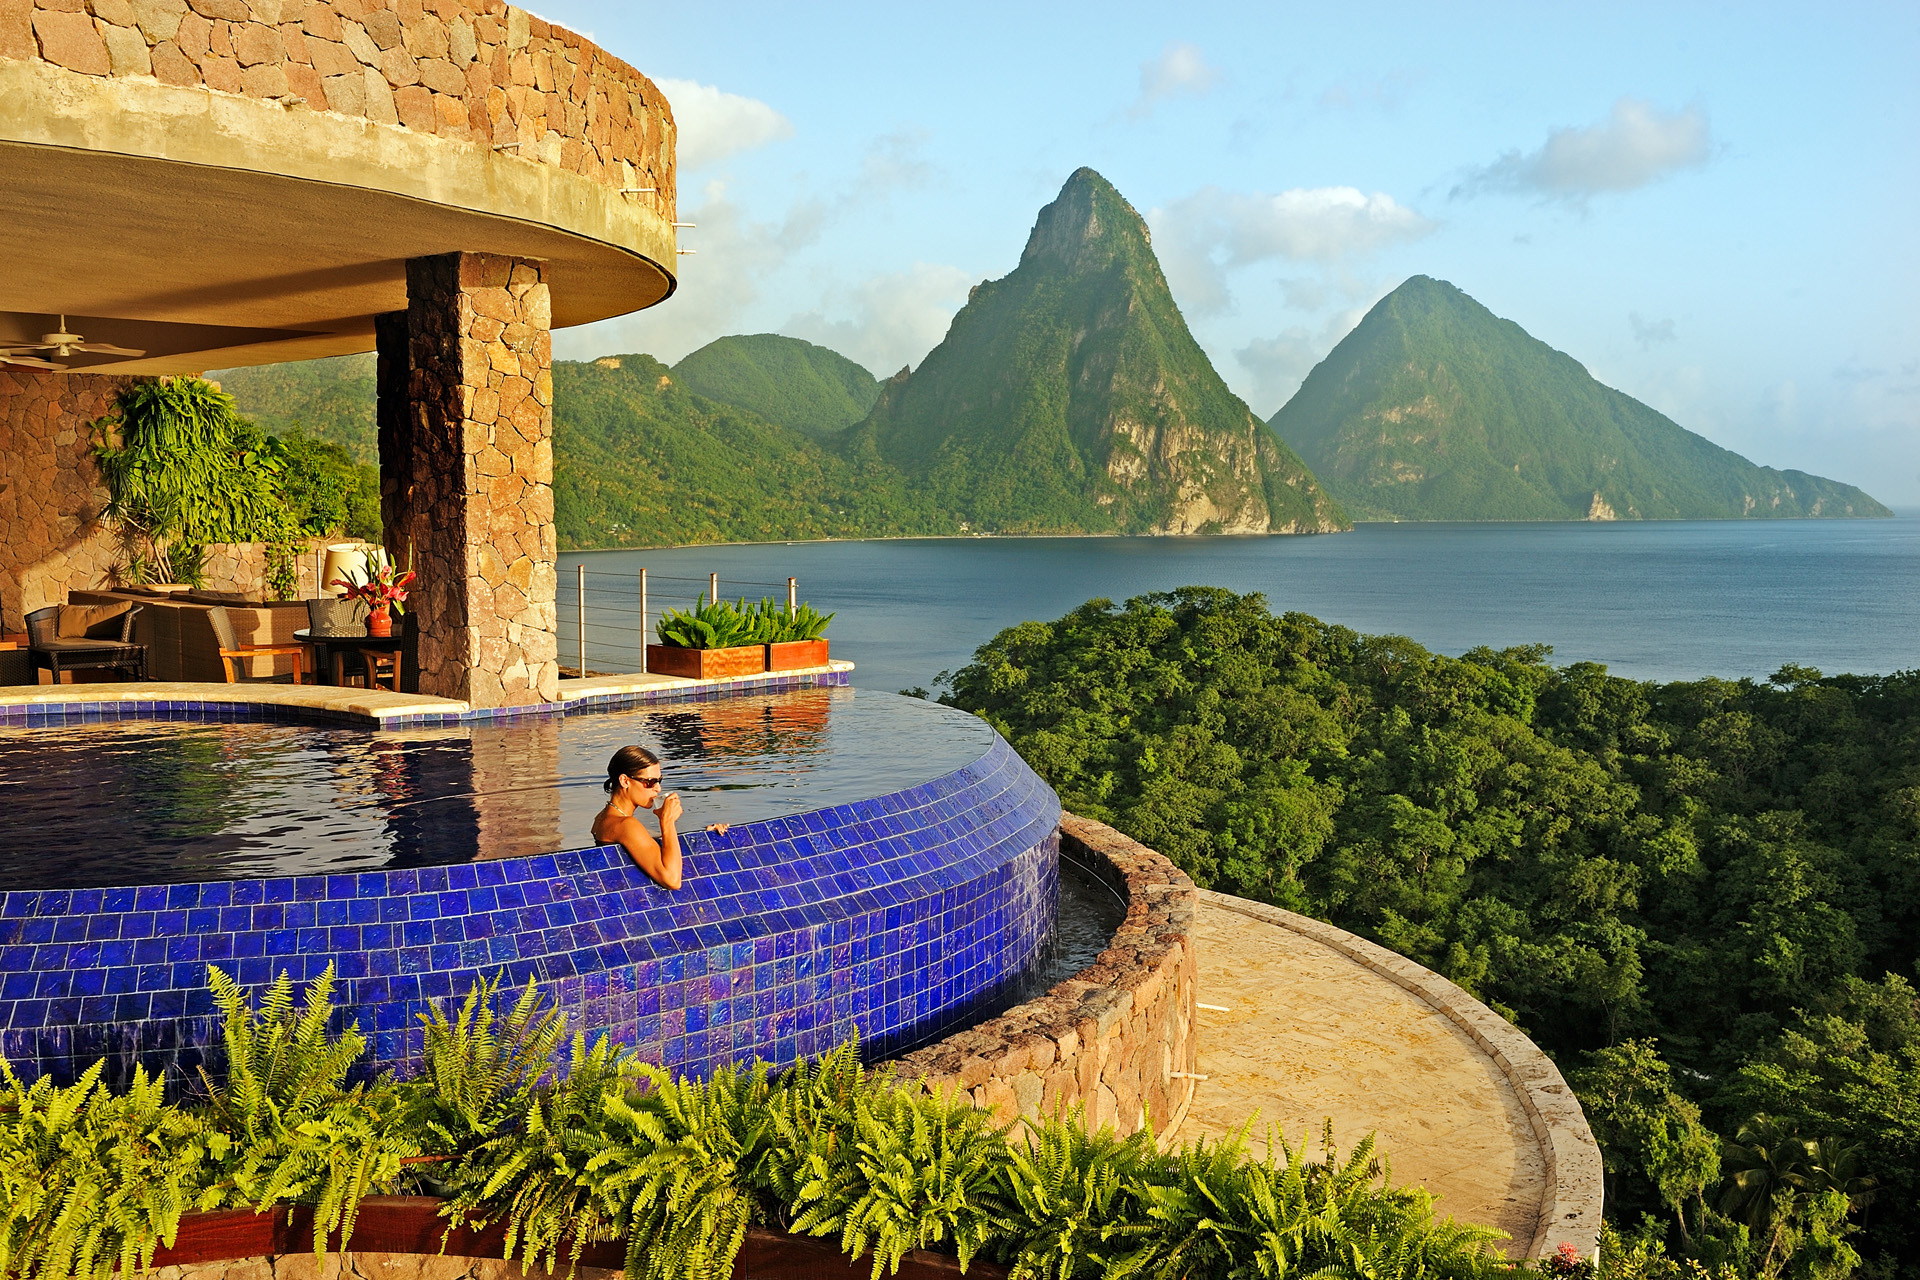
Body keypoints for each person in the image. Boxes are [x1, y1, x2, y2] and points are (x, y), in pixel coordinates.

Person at [590, 745, 725, 889]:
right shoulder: (626, 825)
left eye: (659, 780)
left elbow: (652, 844)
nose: (658, 788)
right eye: (649, 782)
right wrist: (667, 821)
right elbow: (672, 880)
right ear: (625, 781)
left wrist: (704, 837)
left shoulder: (603, 817)